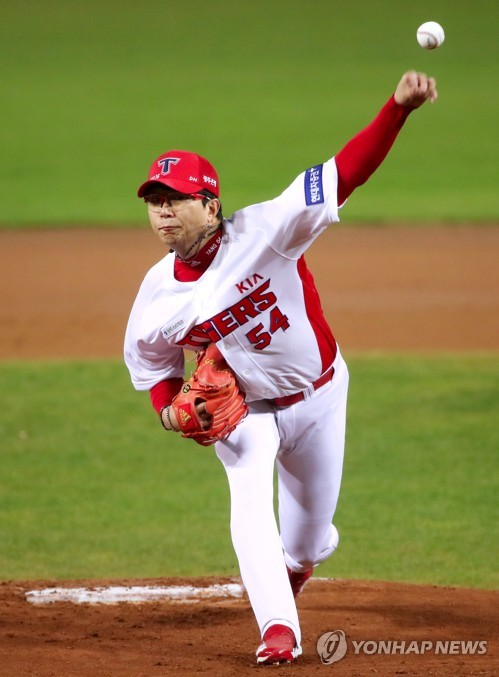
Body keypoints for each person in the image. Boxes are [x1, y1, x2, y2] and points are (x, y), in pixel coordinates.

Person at [124, 71, 438, 665]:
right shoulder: (155, 298)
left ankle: (300, 560)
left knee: (308, 542)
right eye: (155, 204)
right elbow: (152, 366)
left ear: (210, 204)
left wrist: (397, 109)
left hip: (319, 397)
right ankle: (278, 631)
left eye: (176, 200)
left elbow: (346, 171)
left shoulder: (268, 230)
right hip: (248, 413)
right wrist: (171, 412)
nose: (163, 214)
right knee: (248, 499)